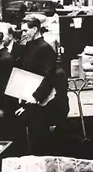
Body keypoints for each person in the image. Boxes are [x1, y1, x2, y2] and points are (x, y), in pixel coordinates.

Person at [16, 16, 69, 156]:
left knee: (39, 138)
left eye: (25, 30)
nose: (23, 34)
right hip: (31, 97)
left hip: (41, 102)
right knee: (33, 136)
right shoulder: (29, 45)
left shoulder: (44, 48)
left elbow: (49, 77)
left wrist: (34, 98)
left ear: (34, 29)